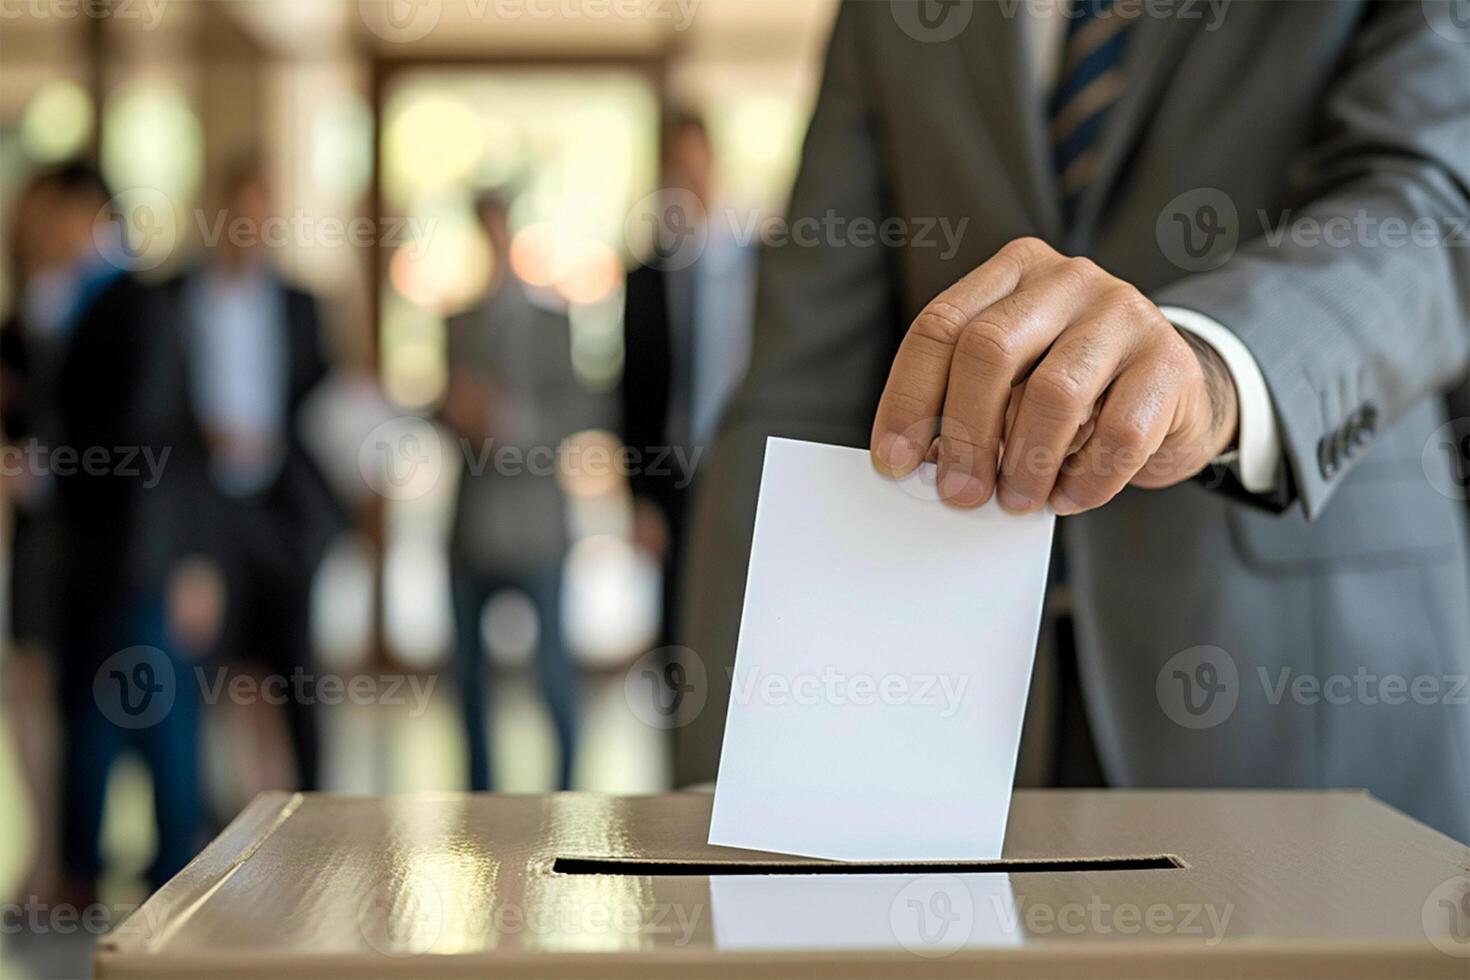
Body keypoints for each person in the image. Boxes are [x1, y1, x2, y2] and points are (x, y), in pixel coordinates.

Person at [681, 1, 1470, 843]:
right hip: (947, 699)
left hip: (1303, 677)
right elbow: (802, 376)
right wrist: (736, 739)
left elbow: (1432, 202)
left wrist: (1210, 363)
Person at [143, 156, 343, 793]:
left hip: (280, 506)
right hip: (203, 509)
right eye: (240, 212)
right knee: (203, 664)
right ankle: (198, 813)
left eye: (262, 213)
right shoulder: (176, 299)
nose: (250, 227)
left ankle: (314, 803)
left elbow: (322, 398)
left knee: (295, 668)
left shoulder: (299, 305)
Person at [42, 162, 203, 899]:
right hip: (89, 551)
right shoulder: (67, 300)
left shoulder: (134, 302)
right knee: (90, 710)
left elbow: (147, 436)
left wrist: (51, 463)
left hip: (135, 551)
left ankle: (173, 872)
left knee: (150, 714)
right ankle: (83, 867)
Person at [441, 191, 599, 791]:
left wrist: (509, 423)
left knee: (553, 676)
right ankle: (479, 801)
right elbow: (442, 404)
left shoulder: (555, 324)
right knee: (469, 683)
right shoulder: (456, 324)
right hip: (472, 526)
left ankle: (568, 795)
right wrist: (454, 411)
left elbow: (581, 407)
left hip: (537, 525)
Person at [620, 109, 756, 649]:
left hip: (738, 463)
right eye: (679, 169)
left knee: (735, 623)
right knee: (676, 631)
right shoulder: (647, 277)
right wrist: (639, 499)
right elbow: (632, 393)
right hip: (672, 474)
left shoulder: (754, 263)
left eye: (697, 166)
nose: (691, 181)